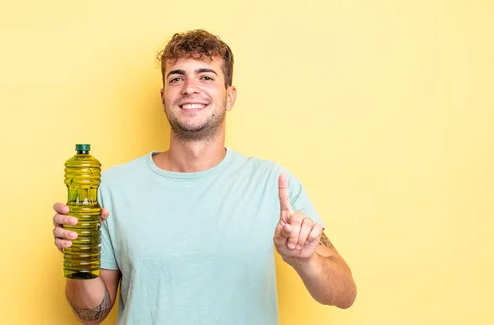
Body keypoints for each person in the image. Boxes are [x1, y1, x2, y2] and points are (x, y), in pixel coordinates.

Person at [52, 29, 357, 325]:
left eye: (206, 76)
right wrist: (78, 257)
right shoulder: (113, 188)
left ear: (230, 96)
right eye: (176, 78)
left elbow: (344, 294)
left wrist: (306, 261)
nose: (189, 88)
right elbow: (90, 315)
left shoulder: (272, 184)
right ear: (163, 97)